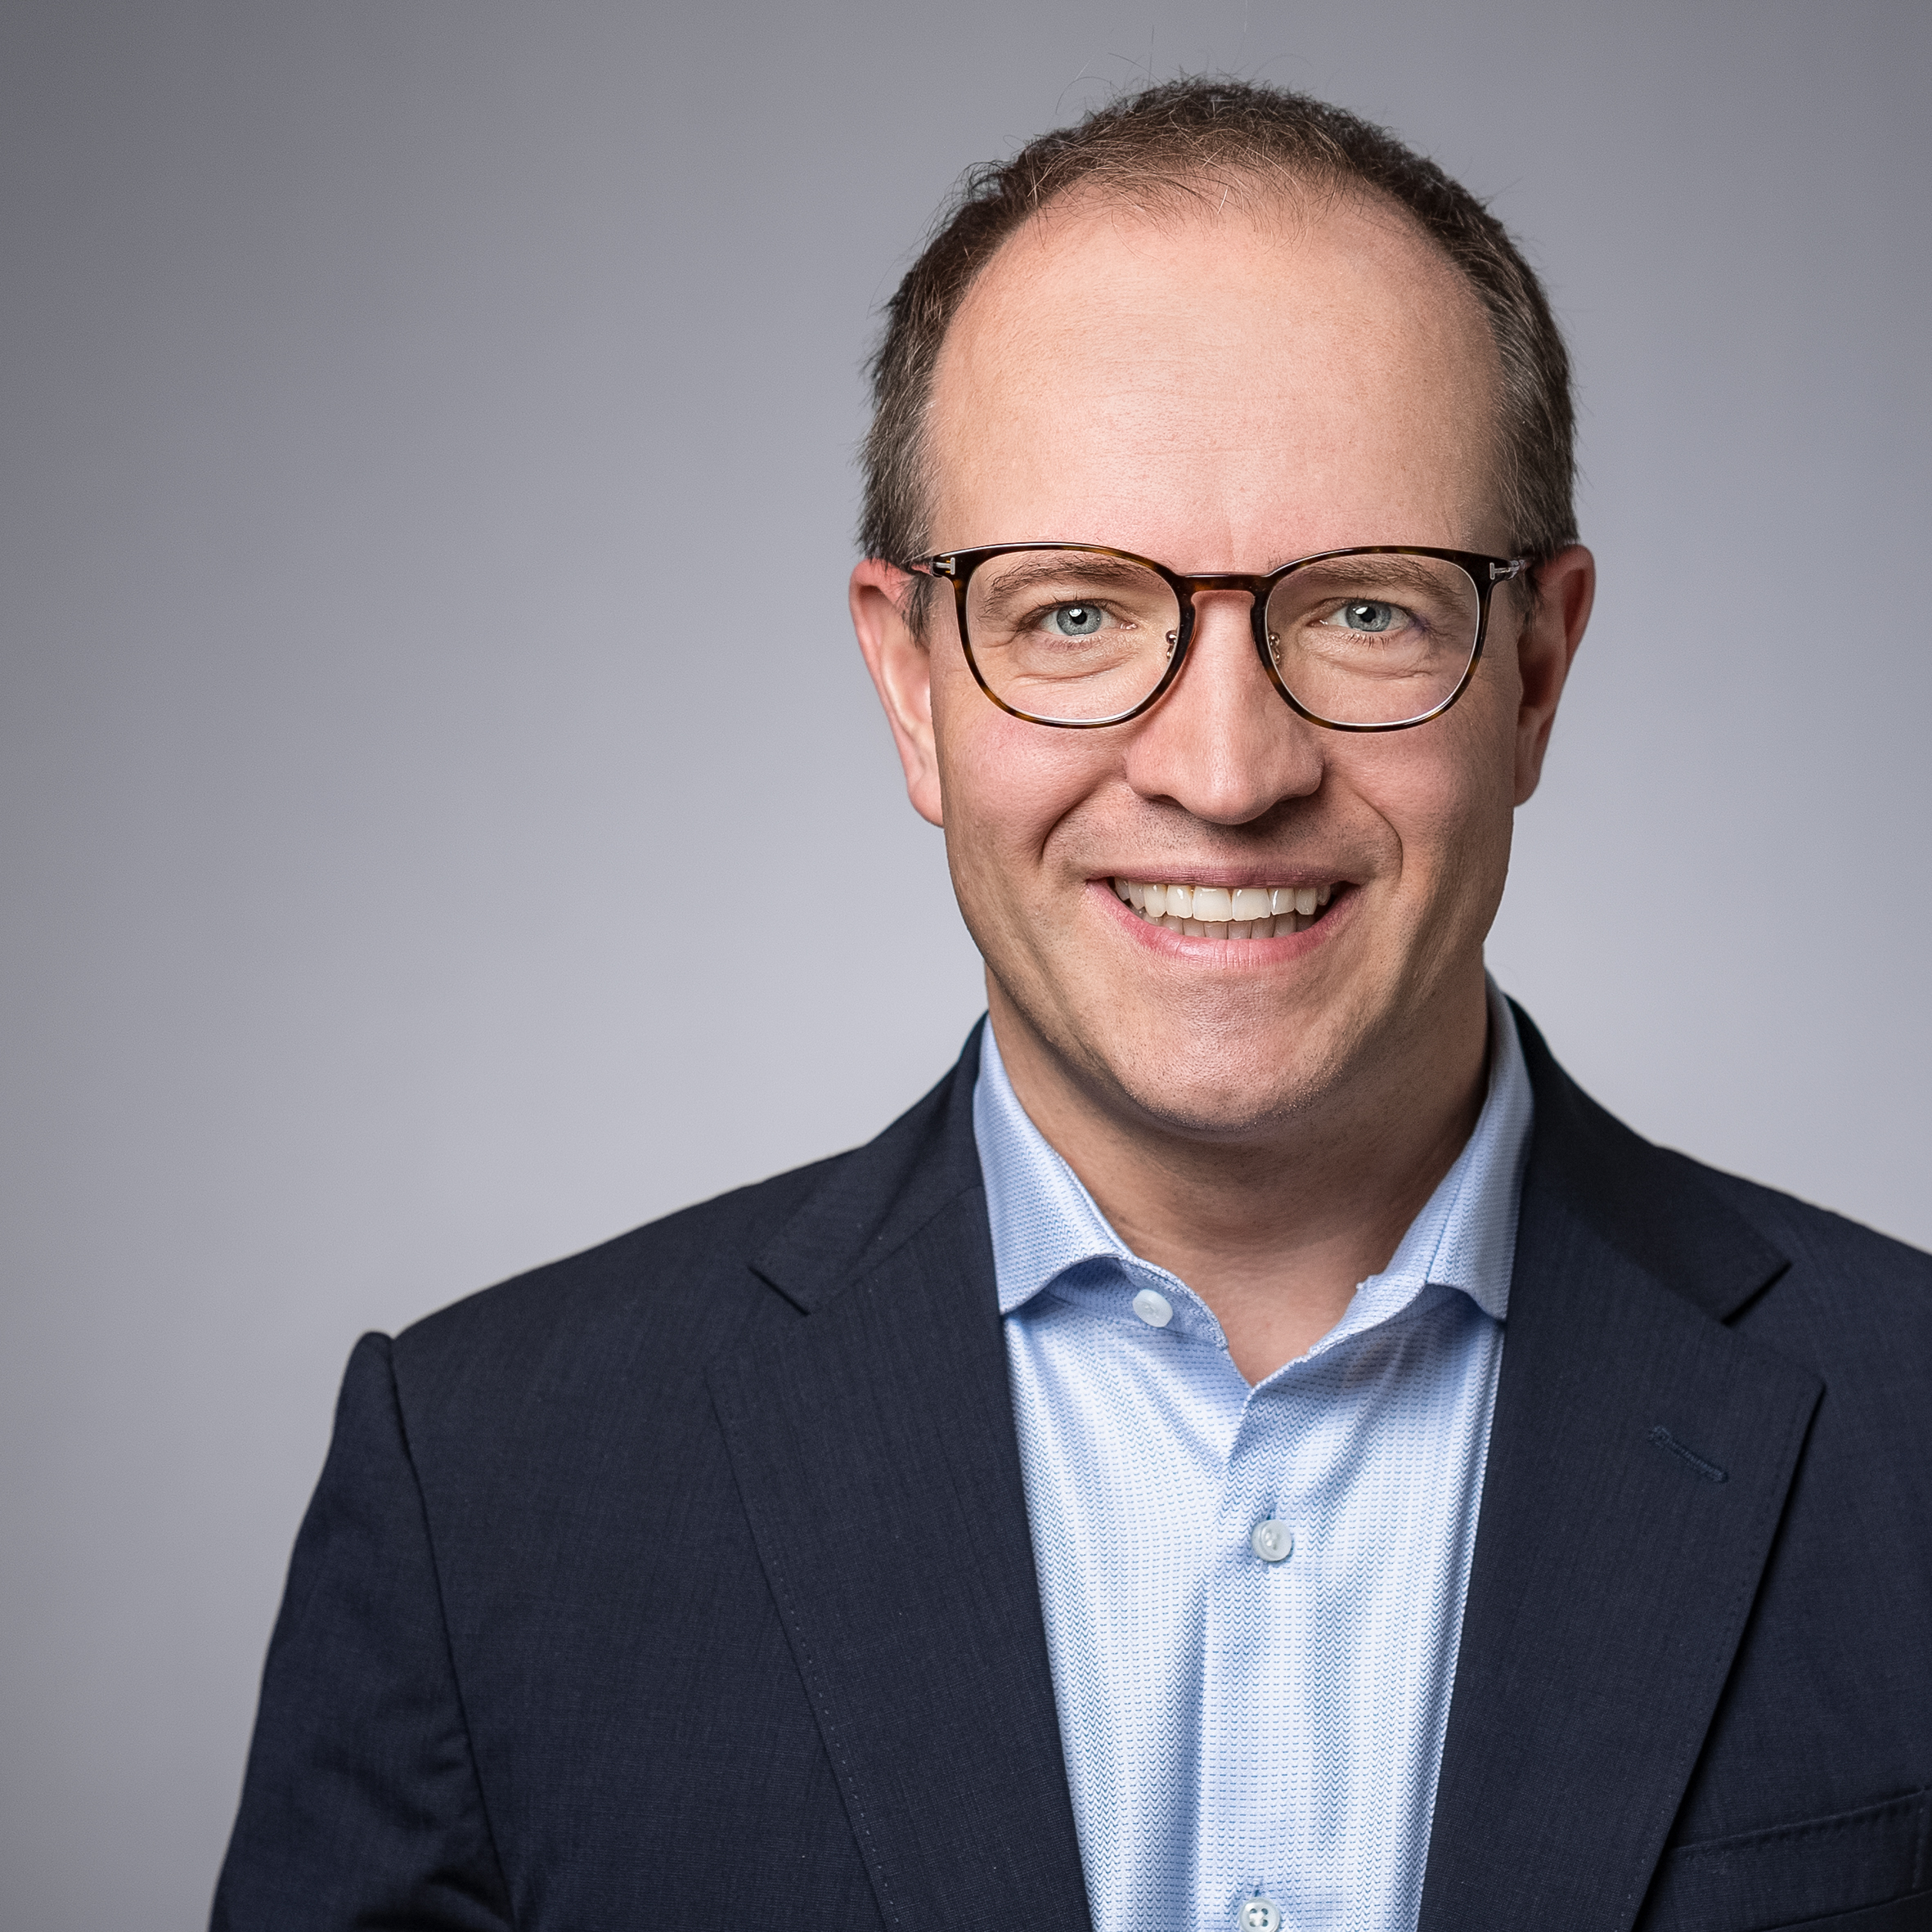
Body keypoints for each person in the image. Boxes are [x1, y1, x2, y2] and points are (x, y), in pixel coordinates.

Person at [212, 79, 1932, 1932]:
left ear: (1534, 670)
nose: (1224, 770)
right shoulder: (486, 1491)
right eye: (1074, 613)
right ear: (910, 686)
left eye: (1365, 609)